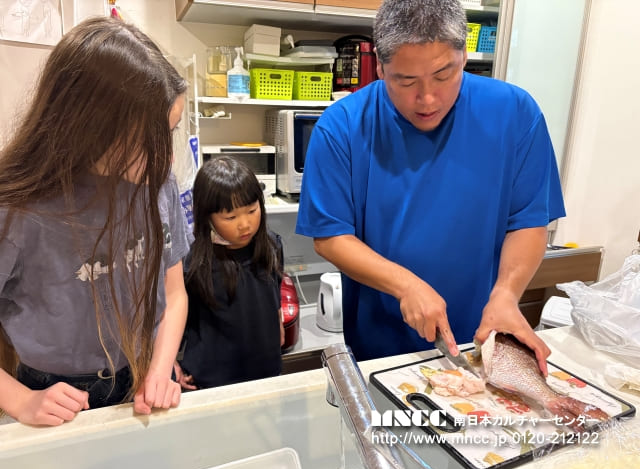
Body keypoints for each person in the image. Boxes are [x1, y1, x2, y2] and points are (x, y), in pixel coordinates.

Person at [295, 0, 565, 374]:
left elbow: (528, 221)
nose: (427, 99)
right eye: (406, 81)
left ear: (464, 55)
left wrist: (507, 293)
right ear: (380, 68)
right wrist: (405, 285)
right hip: (382, 350)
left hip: (483, 341)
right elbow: (330, 236)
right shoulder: (342, 126)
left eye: (443, 75)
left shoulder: (515, 113)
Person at [0, 17, 189, 426]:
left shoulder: (159, 184)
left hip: (142, 374)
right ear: (93, 130)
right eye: (151, 140)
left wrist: (160, 369)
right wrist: (21, 401)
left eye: (171, 133)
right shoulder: (18, 209)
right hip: (52, 391)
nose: (168, 159)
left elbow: (174, 294)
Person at [174, 157, 285, 390]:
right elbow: (177, 317)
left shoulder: (271, 245)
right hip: (214, 379)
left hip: (266, 371)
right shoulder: (193, 261)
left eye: (252, 210)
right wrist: (171, 362)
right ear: (207, 217)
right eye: (230, 217)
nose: (245, 224)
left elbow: (274, 294)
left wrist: (279, 324)